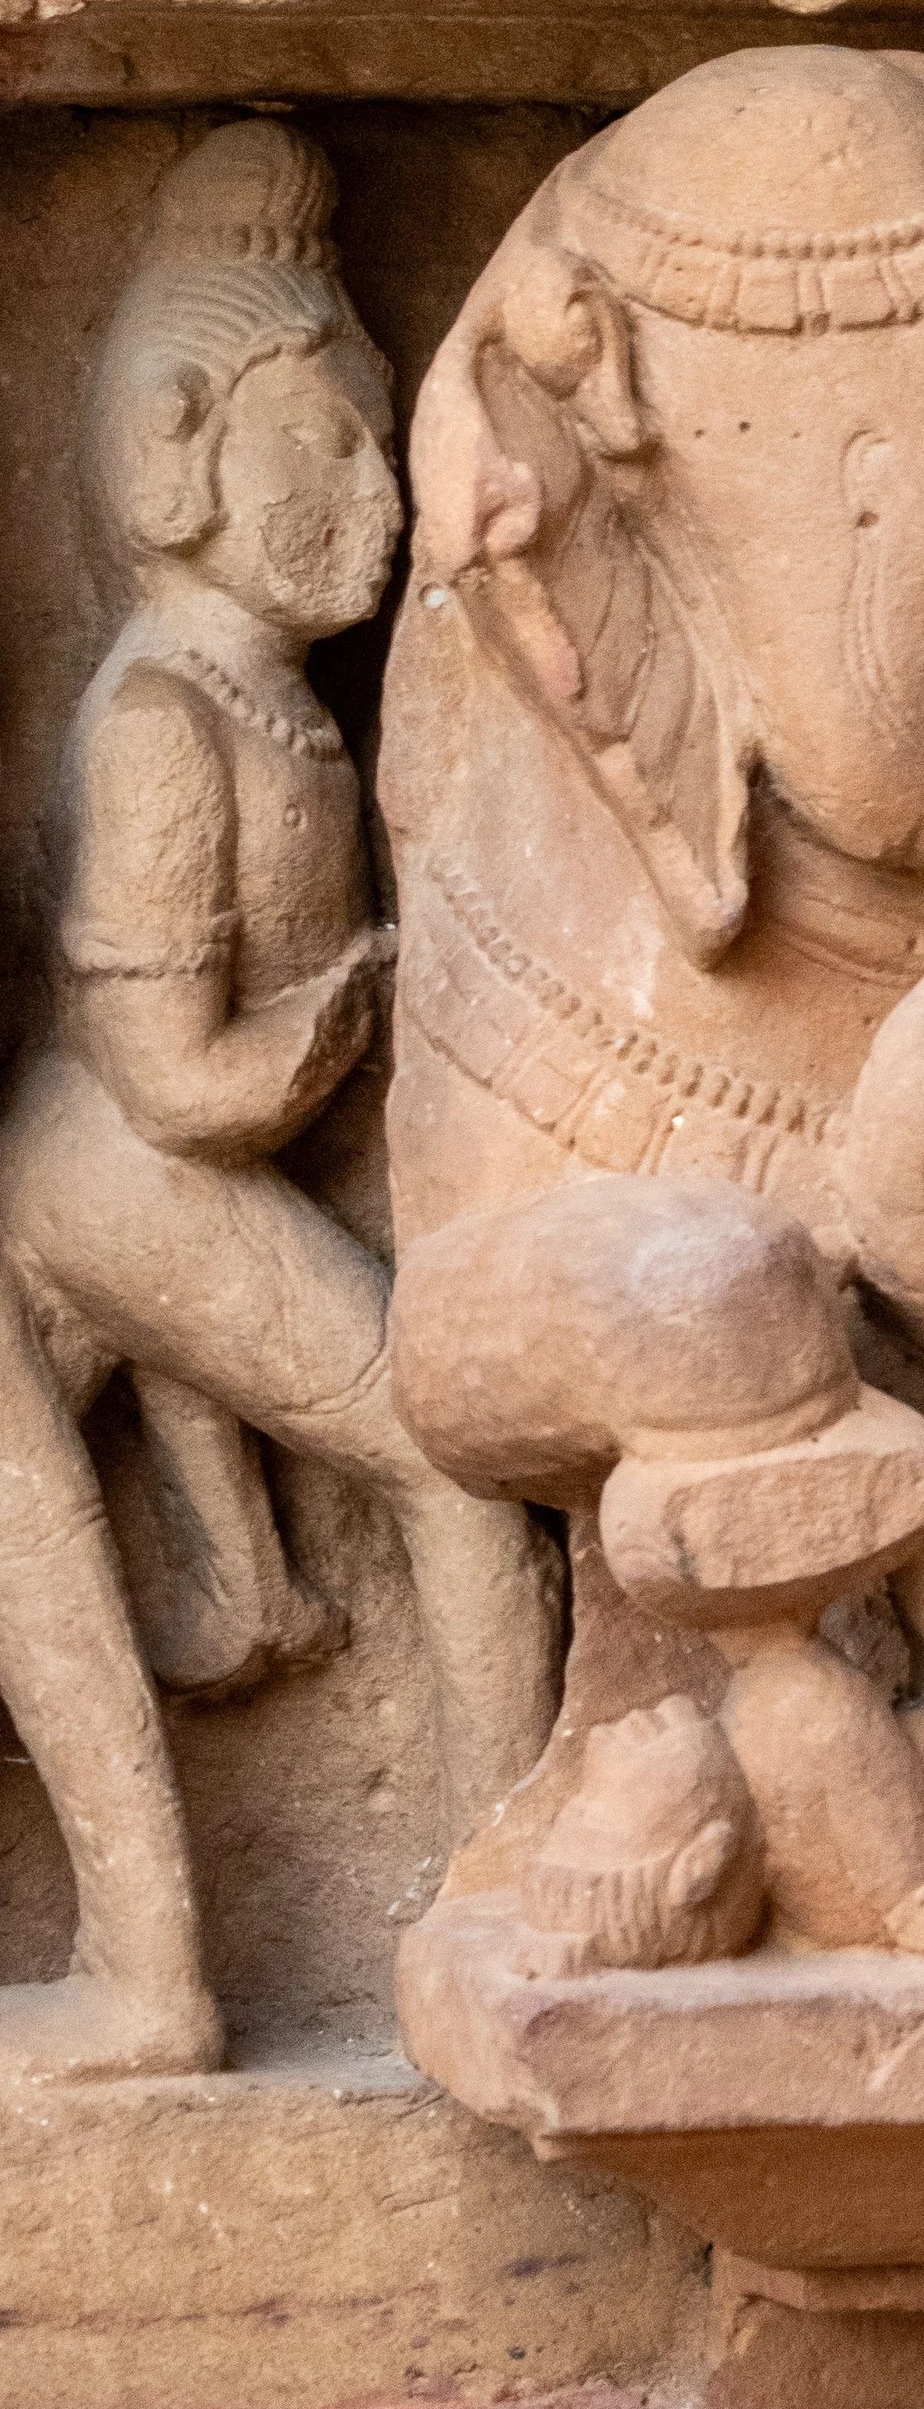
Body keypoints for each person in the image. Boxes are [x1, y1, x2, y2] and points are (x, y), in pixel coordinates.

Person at [0, 122, 556, 2076]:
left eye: (380, 447)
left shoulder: (277, 710)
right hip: (107, 1169)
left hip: (163, 1165)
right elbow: (179, 1082)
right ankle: (448, 1919)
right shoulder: (164, 726)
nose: (381, 498)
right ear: (173, 452)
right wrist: (336, 1025)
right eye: (326, 447)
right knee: (442, 1453)